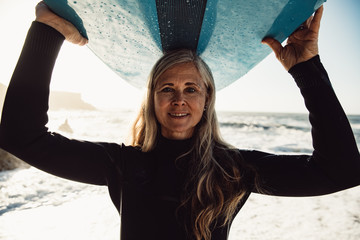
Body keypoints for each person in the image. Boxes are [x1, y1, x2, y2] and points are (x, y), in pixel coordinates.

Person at [0, 2, 359, 240]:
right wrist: (45, 33)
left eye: (191, 88)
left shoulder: (233, 169)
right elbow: (20, 135)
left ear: (207, 98)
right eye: (166, 88)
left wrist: (306, 67)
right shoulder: (126, 165)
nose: (179, 99)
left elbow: (342, 170)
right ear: (152, 99)